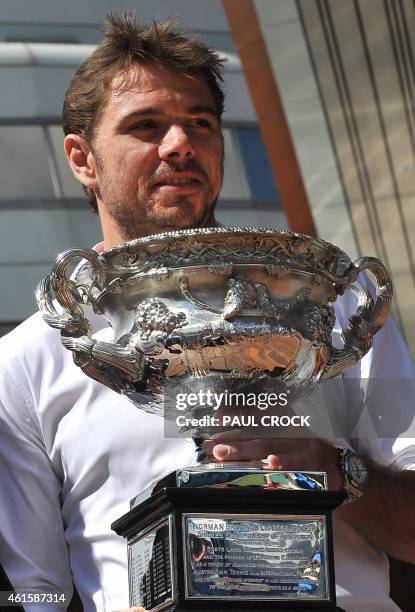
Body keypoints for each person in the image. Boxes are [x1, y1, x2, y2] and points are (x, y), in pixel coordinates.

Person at [0, 14, 414, 612]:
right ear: (82, 159)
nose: (180, 144)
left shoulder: (332, 303)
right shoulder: (27, 360)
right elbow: (36, 595)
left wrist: (338, 474)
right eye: (145, 126)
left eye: (199, 123)